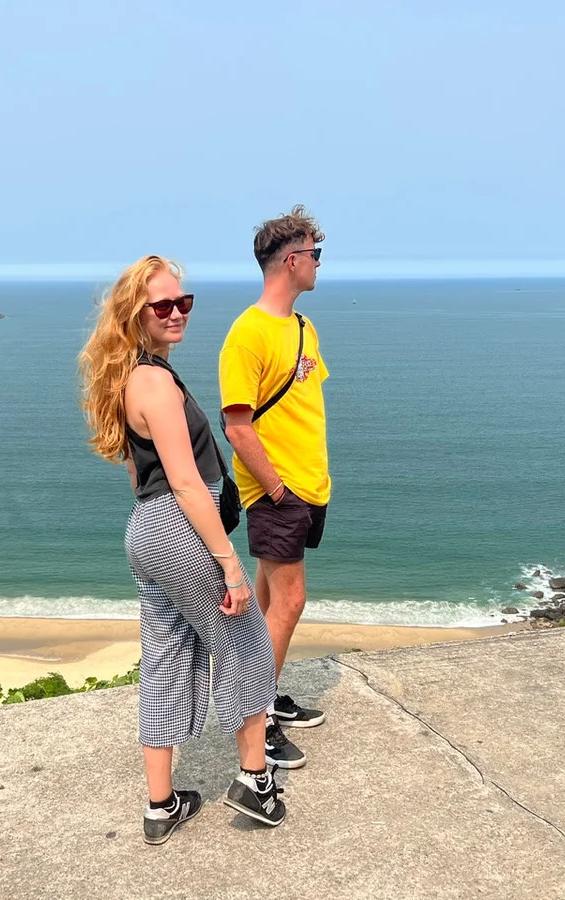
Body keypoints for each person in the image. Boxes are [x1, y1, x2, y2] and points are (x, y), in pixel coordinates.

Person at [78, 255, 287, 846]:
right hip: (179, 529)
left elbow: (135, 474)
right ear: (134, 315)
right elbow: (188, 481)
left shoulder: (131, 379)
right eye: (162, 306)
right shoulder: (154, 382)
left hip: (147, 530)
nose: (176, 313)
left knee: (167, 658)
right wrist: (228, 564)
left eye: (183, 303)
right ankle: (254, 781)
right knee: (245, 642)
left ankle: (161, 805)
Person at [219, 206, 330, 770]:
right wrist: (278, 490)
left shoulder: (303, 328)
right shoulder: (249, 332)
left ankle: (261, 695)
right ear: (291, 260)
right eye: (315, 254)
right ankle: (254, 725)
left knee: (266, 604)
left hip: (307, 488)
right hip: (277, 493)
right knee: (290, 600)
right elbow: (237, 424)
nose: (319, 264)